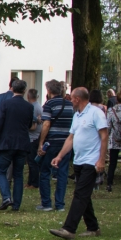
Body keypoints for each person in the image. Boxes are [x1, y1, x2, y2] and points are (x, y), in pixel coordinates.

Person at [49, 88, 107, 240]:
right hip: (79, 160)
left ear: (77, 99)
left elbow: (104, 136)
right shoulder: (77, 115)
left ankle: (69, 229)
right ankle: (93, 227)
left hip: (91, 161)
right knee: (84, 195)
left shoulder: (96, 113)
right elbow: (71, 138)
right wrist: (60, 156)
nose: (70, 100)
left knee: (80, 194)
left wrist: (101, 159)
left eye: (72, 98)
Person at [0, 78, 35, 211]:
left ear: (12, 89)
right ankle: (17, 204)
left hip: (7, 142)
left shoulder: (6, 104)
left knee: (1, 170)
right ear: (24, 90)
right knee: (18, 174)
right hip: (22, 143)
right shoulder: (29, 106)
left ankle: (6, 197)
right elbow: (30, 124)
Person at [36, 80, 74, 211]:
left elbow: (46, 124)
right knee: (62, 173)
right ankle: (60, 204)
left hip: (52, 142)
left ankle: (46, 203)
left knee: (45, 171)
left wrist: (41, 143)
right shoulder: (70, 105)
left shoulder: (49, 104)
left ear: (49, 91)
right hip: (67, 142)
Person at [26, 88, 43, 189]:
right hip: (36, 136)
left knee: (32, 162)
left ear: (28, 96)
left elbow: (32, 123)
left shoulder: (32, 107)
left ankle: (34, 183)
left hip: (33, 137)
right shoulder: (38, 106)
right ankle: (30, 182)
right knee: (31, 161)